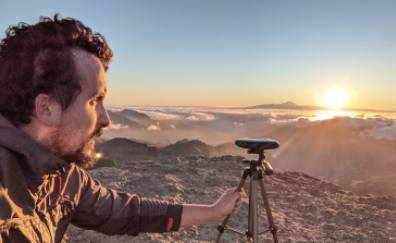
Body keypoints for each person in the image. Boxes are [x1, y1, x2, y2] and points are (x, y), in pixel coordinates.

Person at [0, 14, 246, 242]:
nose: (105, 119)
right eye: (94, 101)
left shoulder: (62, 177)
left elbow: (127, 212)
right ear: (46, 108)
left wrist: (214, 211)